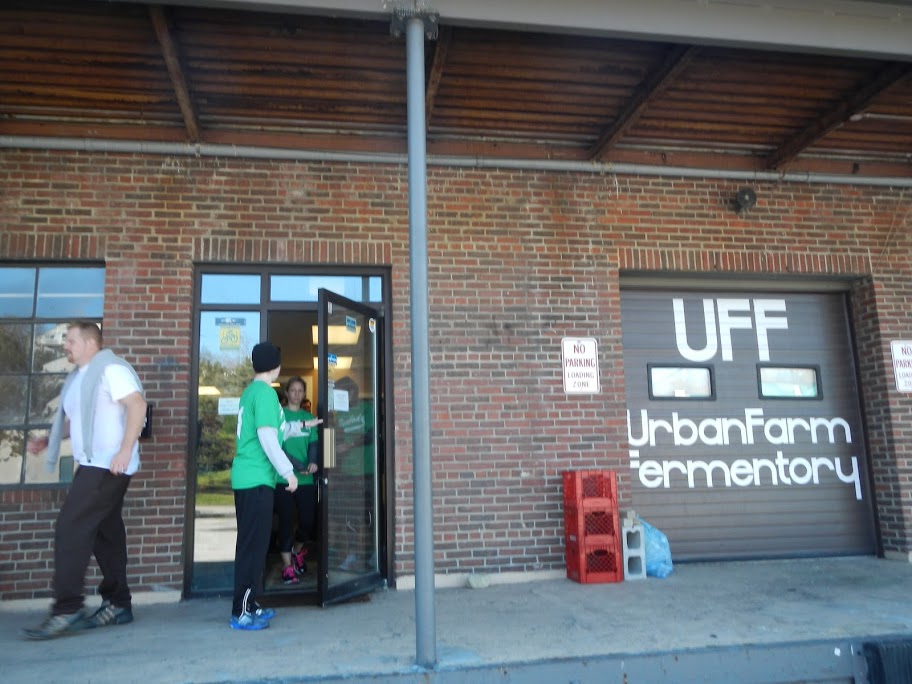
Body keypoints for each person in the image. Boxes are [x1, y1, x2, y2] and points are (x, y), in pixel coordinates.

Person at [23, 321, 147, 640]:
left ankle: (67, 609)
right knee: (106, 534)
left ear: (91, 343)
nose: (65, 345)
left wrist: (124, 450)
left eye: (71, 340)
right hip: (93, 464)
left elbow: (137, 405)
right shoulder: (78, 377)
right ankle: (118, 604)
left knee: (70, 528)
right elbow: (81, 420)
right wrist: (50, 439)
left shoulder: (111, 369)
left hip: (108, 466)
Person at [230, 342, 299, 630]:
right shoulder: (266, 394)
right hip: (256, 479)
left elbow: (277, 429)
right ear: (276, 366)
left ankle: (250, 604)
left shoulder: (251, 392)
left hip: (248, 478)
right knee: (253, 548)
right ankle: (241, 612)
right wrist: (288, 472)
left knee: (253, 545)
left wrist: (302, 427)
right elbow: (268, 438)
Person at [275, 376, 321, 585]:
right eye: (292, 390)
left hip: (305, 480)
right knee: (285, 522)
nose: (296, 394)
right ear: (286, 393)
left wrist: (312, 462)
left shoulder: (308, 417)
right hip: (283, 478)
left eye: (300, 390)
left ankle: (296, 550)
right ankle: (287, 567)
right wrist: (297, 466)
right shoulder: (279, 416)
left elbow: (314, 444)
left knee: (308, 521)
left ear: (304, 394)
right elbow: (277, 447)